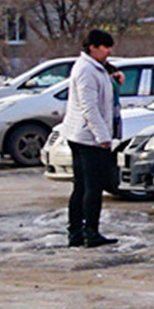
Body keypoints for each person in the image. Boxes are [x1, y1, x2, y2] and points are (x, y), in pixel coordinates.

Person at [63, 29, 119, 248]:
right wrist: (103, 137)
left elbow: (104, 71)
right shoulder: (86, 71)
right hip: (88, 138)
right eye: (104, 48)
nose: (108, 52)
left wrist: (114, 75)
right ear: (92, 47)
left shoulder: (93, 67)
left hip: (80, 135)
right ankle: (90, 232)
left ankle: (76, 232)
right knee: (92, 187)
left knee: (81, 186)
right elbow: (89, 108)